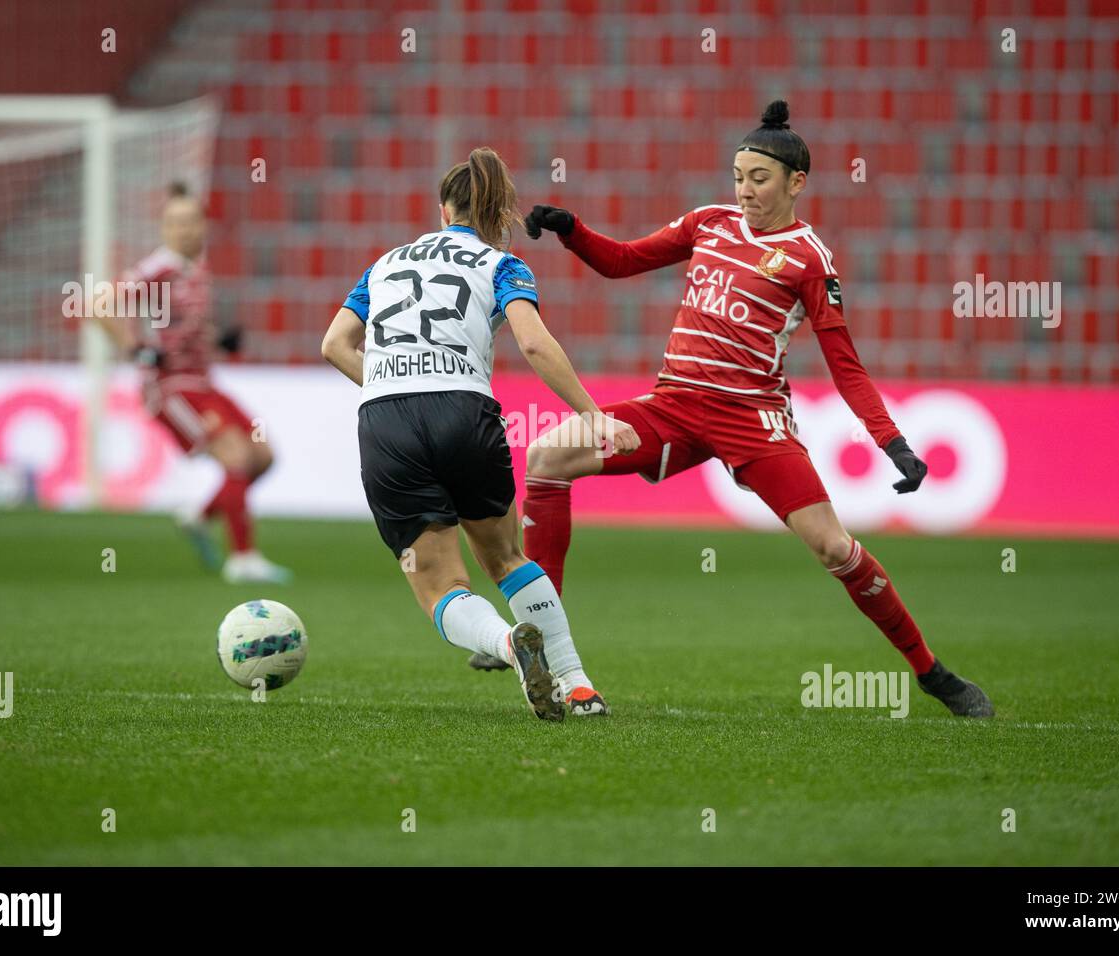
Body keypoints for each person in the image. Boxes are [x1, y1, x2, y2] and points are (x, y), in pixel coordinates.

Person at [516, 101, 993, 718]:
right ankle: (541, 635)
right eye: (739, 176)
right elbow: (624, 260)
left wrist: (892, 443)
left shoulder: (809, 259)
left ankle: (931, 672)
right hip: (675, 405)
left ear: (797, 182)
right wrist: (571, 229)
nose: (744, 191)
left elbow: (844, 363)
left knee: (832, 548)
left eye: (759, 179)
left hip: (753, 420)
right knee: (547, 455)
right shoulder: (708, 223)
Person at [321, 147, 639, 720]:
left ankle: (505, 647)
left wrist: (391, 381)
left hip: (387, 418)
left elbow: (335, 343)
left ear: (444, 209)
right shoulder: (502, 265)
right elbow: (536, 344)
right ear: (499, 214)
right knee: (507, 558)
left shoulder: (385, 263)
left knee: (438, 583)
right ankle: (578, 684)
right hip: (464, 412)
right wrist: (593, 415)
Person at [94, 182, 291, 584]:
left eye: (190, 222)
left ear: (203, 225)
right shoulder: (158, 267)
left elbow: (184, 327)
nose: (183, 230)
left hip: (203, 382)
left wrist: (219, 340)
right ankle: (243, 558)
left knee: (263, 456)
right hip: (169, 387)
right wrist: (135, 349)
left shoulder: (197, 269)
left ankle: (199, 516)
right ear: (164, 229)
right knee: (236, 457)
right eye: (174, 223)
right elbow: (101, 303)